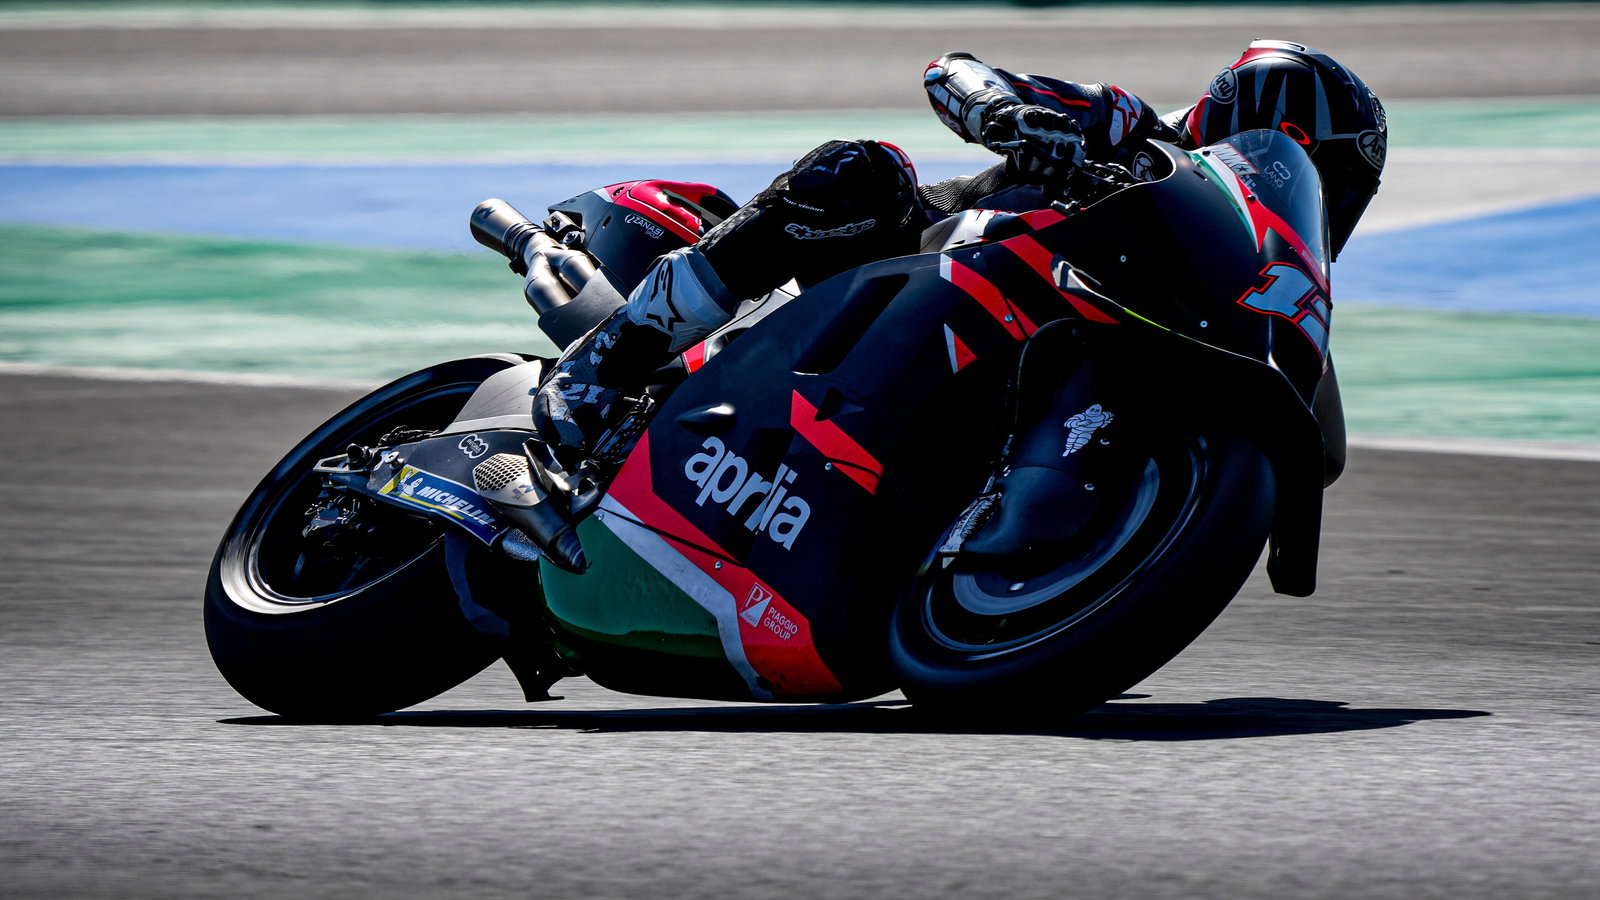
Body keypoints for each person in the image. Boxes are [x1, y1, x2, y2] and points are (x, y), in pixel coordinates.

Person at [521, 40, 1387, 565]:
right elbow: (955, 70)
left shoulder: (1259, 294)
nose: (1329, 200)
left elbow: (1321, 457)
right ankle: (610, 363)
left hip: (995, 367)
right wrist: (1010, 116)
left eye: (1347, 190)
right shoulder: (1133, 131)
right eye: (1330, 173)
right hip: (918, 264)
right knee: (862, 171)